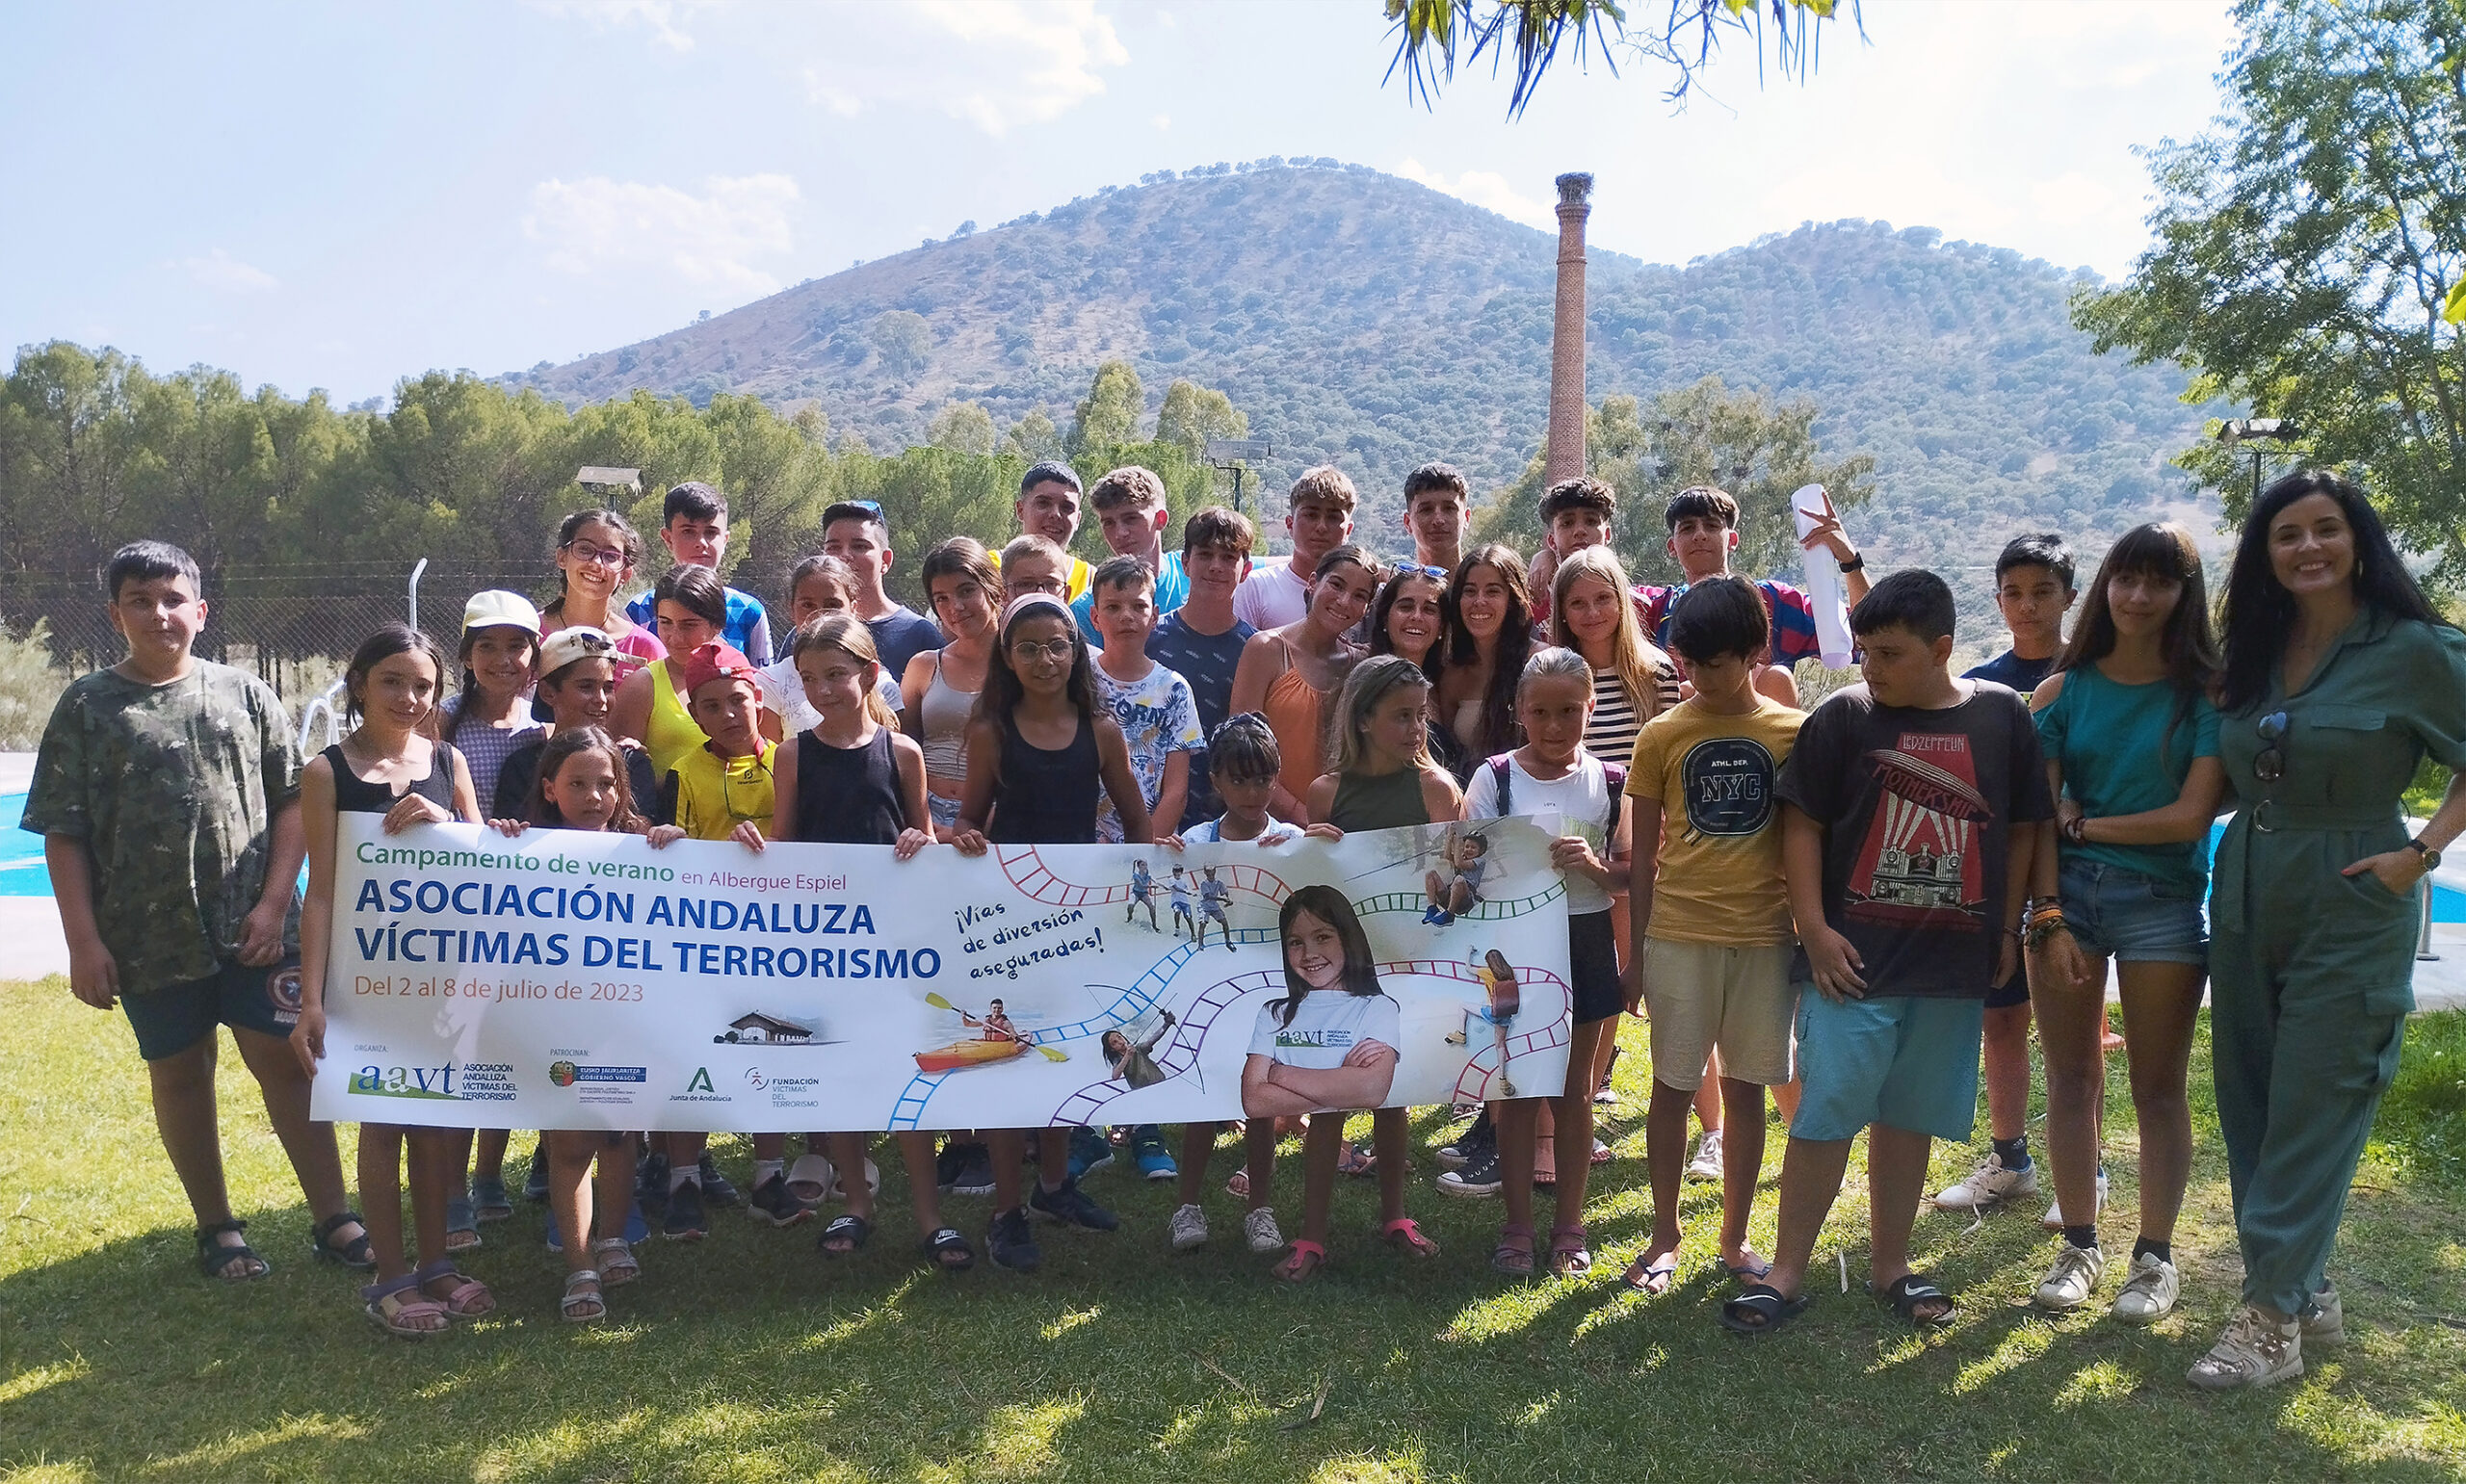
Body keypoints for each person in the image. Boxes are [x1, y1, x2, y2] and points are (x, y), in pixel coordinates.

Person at [2189, 471, 2466, 1390]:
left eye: (2325, 530)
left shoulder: (2414, 649)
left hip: (2354, 888)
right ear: (2264, 555)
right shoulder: (2256, 652)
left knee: (2319, 1093)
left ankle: (2269, 1320)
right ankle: (2302, 1285)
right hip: (2248, 884)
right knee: (2254, 1097)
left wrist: (2421, 850)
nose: (2307, 548)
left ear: (2359, 540)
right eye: (2286, 535)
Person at [1725, 570, 2052, 1336]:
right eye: (1864, 651)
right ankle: (1786, 1271)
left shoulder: (2003, 717)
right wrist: (1812, 925)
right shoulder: (1843, 715)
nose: (1870, 669)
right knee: (1825, 1115)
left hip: (1951, 971)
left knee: (1908, 1117)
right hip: (1853, 967)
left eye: (1890, 654)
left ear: (1943, 648)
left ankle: (1890, 1264)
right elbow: (1799, 823)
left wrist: (2009, 929)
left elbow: (2028, 824)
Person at [28, 540, 364, 1286]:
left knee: (289, 1063)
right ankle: (218, 1227)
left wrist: (275, 903)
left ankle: (335, 1214)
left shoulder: (245, 694)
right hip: (148, 937)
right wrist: (83, 940)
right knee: (181, 1070)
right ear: (116, 613)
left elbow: (292, 806)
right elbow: (65, 828)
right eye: (141, 600)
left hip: (257, 927)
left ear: (201, 610)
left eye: (174, 598)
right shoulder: (88, 705)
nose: (160, 613)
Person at [2020, 523, 2222, 1323]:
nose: (2139, 597)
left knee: (2157, 1087)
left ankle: (2154, 1257)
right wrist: (2048, 912)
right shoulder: (2063, 693)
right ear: (2105, 585)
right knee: (2072, 1079)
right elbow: (2038, 819)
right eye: (2126, 579)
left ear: (2184, 594)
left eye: (2160, 582)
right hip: (2065, 904)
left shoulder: (2204, 694)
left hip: (2163, 905)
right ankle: (2079, 1244)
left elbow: (2188, 817)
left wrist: (2086, 824)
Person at [290, 625, 495, 1335]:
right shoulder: (327, 772)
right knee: (382, 1125)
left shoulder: (448, 760)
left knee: (438, 1127)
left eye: (423, 685)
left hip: (445, 980)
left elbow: (488, 861)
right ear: (358, 684)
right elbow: (322, 893)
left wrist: (445, 820)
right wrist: (312, 1000)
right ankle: (390, 1278)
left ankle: (438, 1263)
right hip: (367, 979)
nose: (408, 697)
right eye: (392, 681)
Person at [1617, 578, 1807, 1297]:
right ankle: (1664, 1234)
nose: (1702, 679)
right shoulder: (1661, 734)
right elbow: (1642, 858)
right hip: (1679, 937)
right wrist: (1634, 955)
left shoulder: (1795, 732)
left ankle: (1733, 1235)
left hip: (1765, 939)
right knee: (1671, 1087)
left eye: (1718, 664)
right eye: (1690, 665)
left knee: (1748, 1089)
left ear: (1756, 653)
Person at [949, 594, 1150, 1270]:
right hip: (1009, 924)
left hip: (1080, 919)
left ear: (1076, 652)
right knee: (1012, 1062)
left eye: (1057, 645)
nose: (1045, 658)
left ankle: (1054, 1187)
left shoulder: (1099, 729)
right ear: (1008, 657)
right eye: (1029, 647)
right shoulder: (991, 732)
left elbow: (1135, 821)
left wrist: (1140, 891)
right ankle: (1008, 1211)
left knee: (1067, 1053)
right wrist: (965, 837)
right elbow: (969, 820)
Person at [762, 614, 968, 1269]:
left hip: (894, 947)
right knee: (840, 1080)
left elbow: (925, 838)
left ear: (868, 673)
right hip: (822, 947)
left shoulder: (902, 752)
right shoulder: (792, 754)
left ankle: (930, 1216)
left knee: (907, 1075)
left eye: (837, 674)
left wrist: (921, 840)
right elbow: (786, 845)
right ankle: (857, 1201)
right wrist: (752, 848)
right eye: (810, 678)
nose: (823, 689)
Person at [489, 726, 686, 1321]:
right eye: (577, 783)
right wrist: (497, 844)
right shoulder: (523, 847)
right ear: (549, 787)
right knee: (570, 1138)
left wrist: (677, 843)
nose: (593, 795)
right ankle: (579, 1266)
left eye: (606, 783)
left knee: (620, 1132)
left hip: (626, 1018)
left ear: (622, 790)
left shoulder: (644, 850)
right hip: (554, 1019)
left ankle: (614, 1237)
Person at [1453, 648, 1632, 1278]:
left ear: (1590, 709)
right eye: (1541, 712)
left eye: (1569, 712)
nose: (1555, 726)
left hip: (1584, 941)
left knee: (1575, 1090)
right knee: (1520, 1090)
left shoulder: (1611, 780)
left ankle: (1570, 1228)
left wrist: (1597, 866)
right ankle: (1518, 1228)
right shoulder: (1493, 777)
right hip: (1514, 946)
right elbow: (1460, 873)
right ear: (1519, 711)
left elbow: (1631, 875)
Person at [1934, 533, 2084, 1222]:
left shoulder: (2095, 676)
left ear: (2071, 598)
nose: (2027, 606)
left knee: (2071, 1039)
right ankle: (2010, 1158)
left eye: (2042, 592)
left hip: (2075, 879)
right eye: (2014, 593)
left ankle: (2089, 1170)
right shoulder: (1983, 686)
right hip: (2000, 882)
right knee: (2001, 1023)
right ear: (1997, 599)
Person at [1158, 715, 1338, 1254]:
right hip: (1209, 997)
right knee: (1204, 1101)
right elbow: (1170, 909)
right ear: (1215, 780)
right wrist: (1167, 862)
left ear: (1277, 777)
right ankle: (1187, 1207)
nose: (1252, 792)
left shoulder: (1290, 841)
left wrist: (1325, 846)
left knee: (1261, 1106)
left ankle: (1260, 1209)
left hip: (1271, 1003)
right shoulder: (1194, 843)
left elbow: (1324, 898)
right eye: (1239, 779)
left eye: (1263, 779)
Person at [1301, 655, 1459, 1258]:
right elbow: (1309, 884)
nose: (1416, 729)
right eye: (1401, 717)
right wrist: (1308, 848)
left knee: (1395, 1097)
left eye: (1421, 716)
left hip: (1409, 967)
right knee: (1328, 1102)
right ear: (1363, 719)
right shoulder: (1326, 792)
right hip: (1339, 978)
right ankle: (1312, 1231)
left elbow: (1455, 876)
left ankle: (1396, 1215)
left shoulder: (1437, 788)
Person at [642, 640, 773, 1238]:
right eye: (711, 706)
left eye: (737, 701)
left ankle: (770, 1171)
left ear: (758, 699)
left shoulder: (791, 760)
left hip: (784, 934)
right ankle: (684, 1177)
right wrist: (669, 839)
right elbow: (674, 843)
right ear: (695, 715)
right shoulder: (681, 772)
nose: (728, 715)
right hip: (709, 934)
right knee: (691, 1048)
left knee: (774, 1042)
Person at [1240, 886, 1403, 1283]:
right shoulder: (1274, 1013)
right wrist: (1339, 1076)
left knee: (1389, 1110)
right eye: (1295, 942)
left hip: (1361, 1091)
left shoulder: (1378, 1007)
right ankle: (1311, 1239)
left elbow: (1372, 1091)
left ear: (1348, 936)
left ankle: (1395, 1218)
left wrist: (1281, 1073)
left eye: (1323, 936)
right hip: (1316, 1111)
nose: (1309, 953)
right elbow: (1254, 1100)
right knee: (1327, 1116)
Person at [1636, 483, 1869, 686]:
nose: (1700, 535)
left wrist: (1850, 561)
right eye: (1687, 528)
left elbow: (1867, 633)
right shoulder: (1657, 608)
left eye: (1712, 526)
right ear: (1672, 547)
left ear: (1732, 540)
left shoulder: (1773, 600)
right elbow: (1602, 590)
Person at [1229, 544, 1379, 824]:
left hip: (1343, 830)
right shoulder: (1266, 649)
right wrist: (1303, 817)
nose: (1345, 601)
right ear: (1313, 582)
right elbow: (1240, 751)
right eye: (1337, 585)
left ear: (1367, 608)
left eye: (1360, 596)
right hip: (1269, 830)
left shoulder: (1361, 664)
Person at [1146, 507, 1257, 831]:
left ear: (1246, 569)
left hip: (1223, 816)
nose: (1215, 567)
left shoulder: (1255, 649)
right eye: (1205, 554)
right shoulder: (1152, 637)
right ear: (1185, 562)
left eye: (1228, 557)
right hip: (1151, 809)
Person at [1089, 555, 1204, 847]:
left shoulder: (1175, 689)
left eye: (1138, 606)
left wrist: (1143, 847)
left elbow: (1176, 791)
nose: (1126, 616)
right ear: (1095, 617)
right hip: (1084, 846)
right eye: (1112, 607)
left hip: (1152, 845)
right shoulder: (1077, 681)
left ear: (1154, 616)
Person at [493, 627, 659, 823]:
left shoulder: (632, 763)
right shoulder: (522, 767)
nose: (601, 699)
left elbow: (644, 836)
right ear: (548, 693)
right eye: (586, 687)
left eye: (608, 688)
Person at [903, 537, 1001, 841]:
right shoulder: (924, 665)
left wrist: (979, 825)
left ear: (992, 589)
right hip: (923, 820)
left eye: (966, 591)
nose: (955, 607)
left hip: (998, 817)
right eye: (941, 598)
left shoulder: (1024, 667)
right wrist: (925, 825)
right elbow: (902, 750)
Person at [751, 555, 905, 737]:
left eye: (832, 604)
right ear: (791, 609)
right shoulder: (770, 682)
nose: (820, 614)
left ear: (853, 609)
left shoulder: (881, 685)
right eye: (808, 605)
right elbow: (772, 760)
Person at [621, 481, 773, 664]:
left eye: (711, 532)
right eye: (688, 531)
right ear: (668, 539)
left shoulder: (748, 612)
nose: (701, 542)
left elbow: (763, 684)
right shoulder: (639, 611)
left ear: (725, 540)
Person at [609, 563, 730, 780]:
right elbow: (620, 774)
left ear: (717, 624)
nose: (675, 637)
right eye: (665, 623)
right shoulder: (642, 687)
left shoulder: (740, 679)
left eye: (688, 625)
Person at [438, 590, 546, 817]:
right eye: (487, 646)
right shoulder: (442, 720)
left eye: (516, 646)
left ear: (534, 657)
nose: (502, 660)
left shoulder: (541, 724)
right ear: (468, 657)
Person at [1434, 544, 1535, 775]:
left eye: (1492, 591)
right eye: (1469, 591)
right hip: (1475, 802)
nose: (1479, 601)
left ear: (1512, 599)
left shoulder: (1539, 662)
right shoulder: (1452, 674)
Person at [822, 499, 943, 680]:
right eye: (833, 547)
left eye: (860, 546)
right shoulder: (811, 629)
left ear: (885, 560)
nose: (845, 555)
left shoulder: (919, 634)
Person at [1368, 562, 1468, 778]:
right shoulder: (1364, 683)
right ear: (1385, 618)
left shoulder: (1447, 685)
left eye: (1429, 610)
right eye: (1405, 606)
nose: (1416, 616)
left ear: (1441, 627)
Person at [1069, 465, 1190, 641]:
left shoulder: (1196, 577)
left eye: (1131, 519)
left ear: (1160, 519)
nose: (1120, 533)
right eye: (1109, 523)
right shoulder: (1087, 609)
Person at [539, 508, 665, 677]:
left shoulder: (643, 649)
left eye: (611, 556)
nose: (597, 563)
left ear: (625, 574)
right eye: (585, 549)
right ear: (562, 557)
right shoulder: (528, 635)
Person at [1234, 465, 1357, 631]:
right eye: (1311, 515)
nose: (1321, 527)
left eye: (1333, 517)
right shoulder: (1256, 587)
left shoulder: (1360, 597)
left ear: (1348, 530)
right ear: (1290, 524)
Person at [997, 460, 1094, 605]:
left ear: (1078, 519)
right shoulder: (989, 568)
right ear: (1020, 509)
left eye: (1067, 507)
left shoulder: (1092, 581)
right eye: (1043, 503)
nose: (1055, 514)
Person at [1400, 462, 1471, 577]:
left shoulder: (1485, 590)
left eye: (1449, 509)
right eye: (1426, 510)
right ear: (1407, 522)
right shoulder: (1394, 593)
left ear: (1467, 518)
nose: (1438, 520)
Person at [1169, 864, 1194, 937]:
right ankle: (1177, 928)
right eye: (1175, 871)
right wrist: (1185, 891)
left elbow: (1188, 888)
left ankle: (1193, 934)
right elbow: (1176, 888)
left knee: (1188, 917)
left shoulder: (1184, 880)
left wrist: (1191, 892)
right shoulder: (1171, 879)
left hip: (1185, 902)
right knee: (1177, 912)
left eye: (1178, 871)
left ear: (1181, 872)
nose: (1176, 873)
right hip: (1176, 901)